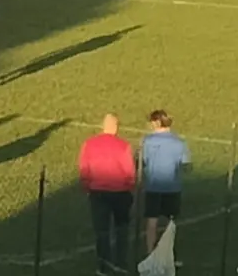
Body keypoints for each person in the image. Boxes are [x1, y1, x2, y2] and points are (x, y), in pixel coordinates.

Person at [78, 113, 136, 275]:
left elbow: (84, 168)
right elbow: (129, 171)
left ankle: (103, 265)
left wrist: (87, 187)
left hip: (98, 193)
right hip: (120, 193)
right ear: (116, 127)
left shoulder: (89, 144)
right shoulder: (123, 145)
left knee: (101, 231)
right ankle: (121, 263)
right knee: (121, 229)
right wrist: (130, 187)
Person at [140, 110, 190, 259]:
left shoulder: (147, 141)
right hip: (173, 187)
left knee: (152, 220)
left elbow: (140, 162)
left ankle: (150, 252)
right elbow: (187, 165)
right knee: (171, 222)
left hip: (153, 187)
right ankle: (170, 253)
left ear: (156, 122)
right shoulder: (179, 142)